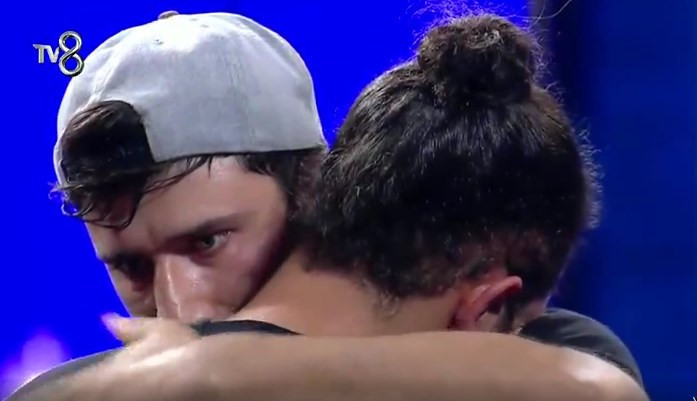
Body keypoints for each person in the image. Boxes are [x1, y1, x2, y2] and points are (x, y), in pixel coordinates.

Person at [8, 11, 645, 401]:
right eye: (131, 267)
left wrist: (215, 368)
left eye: (209, 242)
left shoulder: (553, 350)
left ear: (316, 189)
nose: (182, 309)